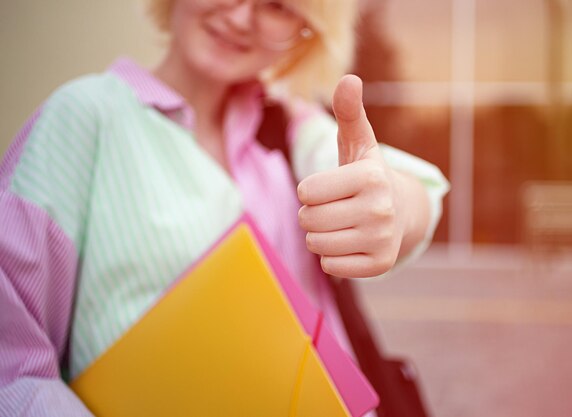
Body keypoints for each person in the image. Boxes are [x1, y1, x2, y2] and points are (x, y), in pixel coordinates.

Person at [0, 0, 449, 415]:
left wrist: (392, 205)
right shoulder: (83, 120)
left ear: (305, 28)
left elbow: (414, 190)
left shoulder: (290, 127)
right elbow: (12, 365)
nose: (239, 17)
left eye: (276, 4)